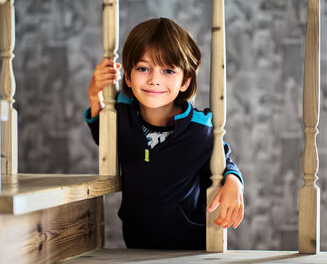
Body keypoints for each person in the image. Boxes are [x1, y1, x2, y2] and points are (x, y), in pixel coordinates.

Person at [85, 18, 244, 249]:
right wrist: (94, 97)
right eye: (143, 68)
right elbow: (105, 140)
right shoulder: (122, 112)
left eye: (168, 70)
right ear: (128, 76)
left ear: (185, 81)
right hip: (136, 242)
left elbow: (223, 160)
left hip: (190, 246)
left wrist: (234, 182)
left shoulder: (199, 127)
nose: (154, 79)